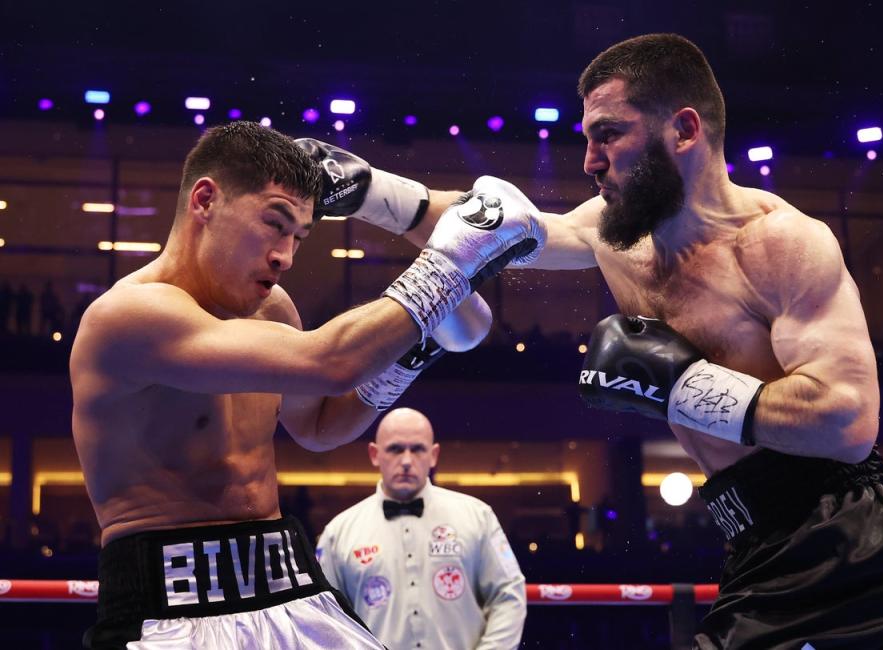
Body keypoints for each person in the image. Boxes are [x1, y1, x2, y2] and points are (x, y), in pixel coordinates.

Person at [312, 34, 883, 649]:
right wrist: (368, 192)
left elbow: (849, 422)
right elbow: (497, 227)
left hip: (842, 530)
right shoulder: (617, 236)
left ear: (685, 130)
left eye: (608, 134)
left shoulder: (781, 245)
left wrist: (682, 385)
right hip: (751, 534)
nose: (589, 160)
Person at [69, 121, 543, 649]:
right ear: (205, 200)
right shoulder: (127, 317)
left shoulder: (272, 309)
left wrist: (414, 353)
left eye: (299, 236)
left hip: (289, 583)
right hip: (170, 606)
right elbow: (331, 362)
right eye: (274, 224)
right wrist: (455, 258)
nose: (286, 256)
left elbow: (319, 425)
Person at [316, 408, 526, 650]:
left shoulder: (477, 516)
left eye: (417, 449)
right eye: (395, 449)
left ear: (433, 455)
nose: (406, 461)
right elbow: (325, 619)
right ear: (375, 454)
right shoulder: (339, 533)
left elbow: (508, 595)